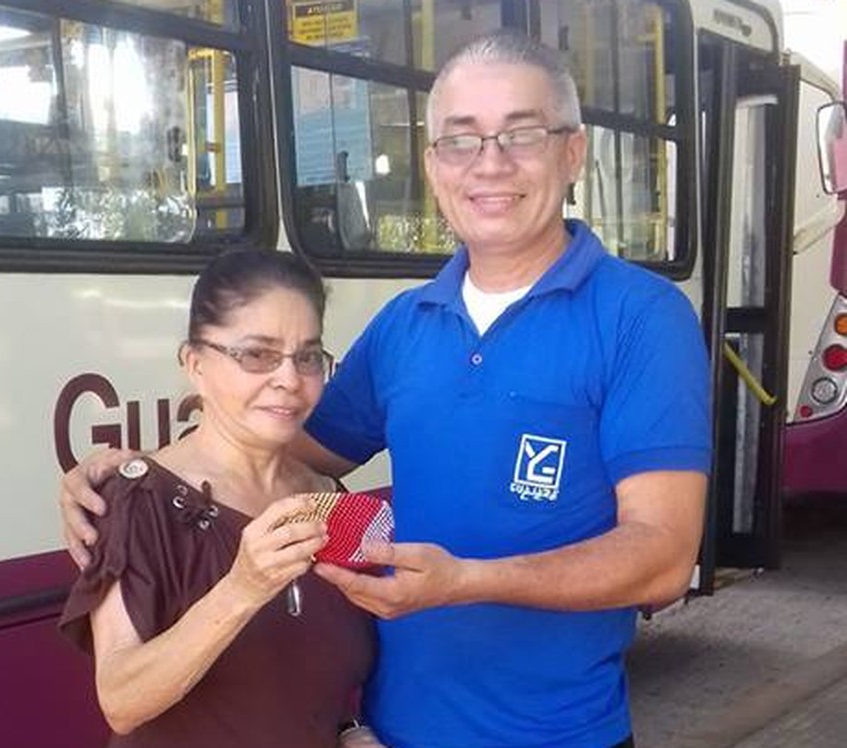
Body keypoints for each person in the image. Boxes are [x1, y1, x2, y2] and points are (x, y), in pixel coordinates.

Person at [61, 31, 710, 748]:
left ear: (572, 152)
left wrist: (465, 581)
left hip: (555, 735)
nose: (490, 164)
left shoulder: (640, 317)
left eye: (520, 134)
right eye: (461, 140)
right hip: (394, 734)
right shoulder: (406, 325)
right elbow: (268, 445)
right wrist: (133, 478)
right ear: (433, 167)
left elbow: (663, 560)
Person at [58, 249, 386, 747]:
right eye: (257, 354)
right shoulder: (138, 499)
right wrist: (242, 588)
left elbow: (313, 682)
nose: (289, 379)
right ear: (195, 364)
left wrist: (350, 731)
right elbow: (122, 700)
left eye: (308, 357)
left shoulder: (326, 499)